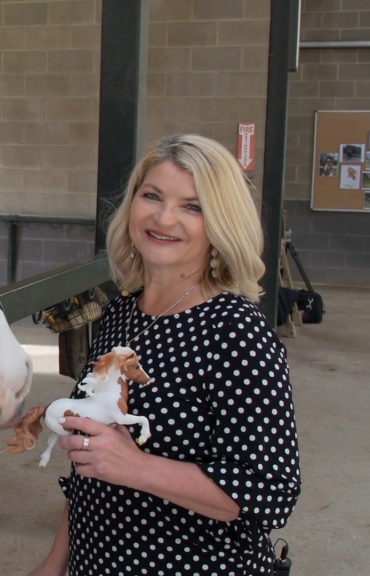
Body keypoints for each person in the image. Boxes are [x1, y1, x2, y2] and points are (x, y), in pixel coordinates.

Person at [27, 134, 301, 576]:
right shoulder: (122, 313)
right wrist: (56, 562)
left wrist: (137, 466)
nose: (164, 217)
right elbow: (92, 462)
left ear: (221, 224)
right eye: (152, 195)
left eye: (193, 206)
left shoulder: (235, 330)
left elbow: (269, 491)